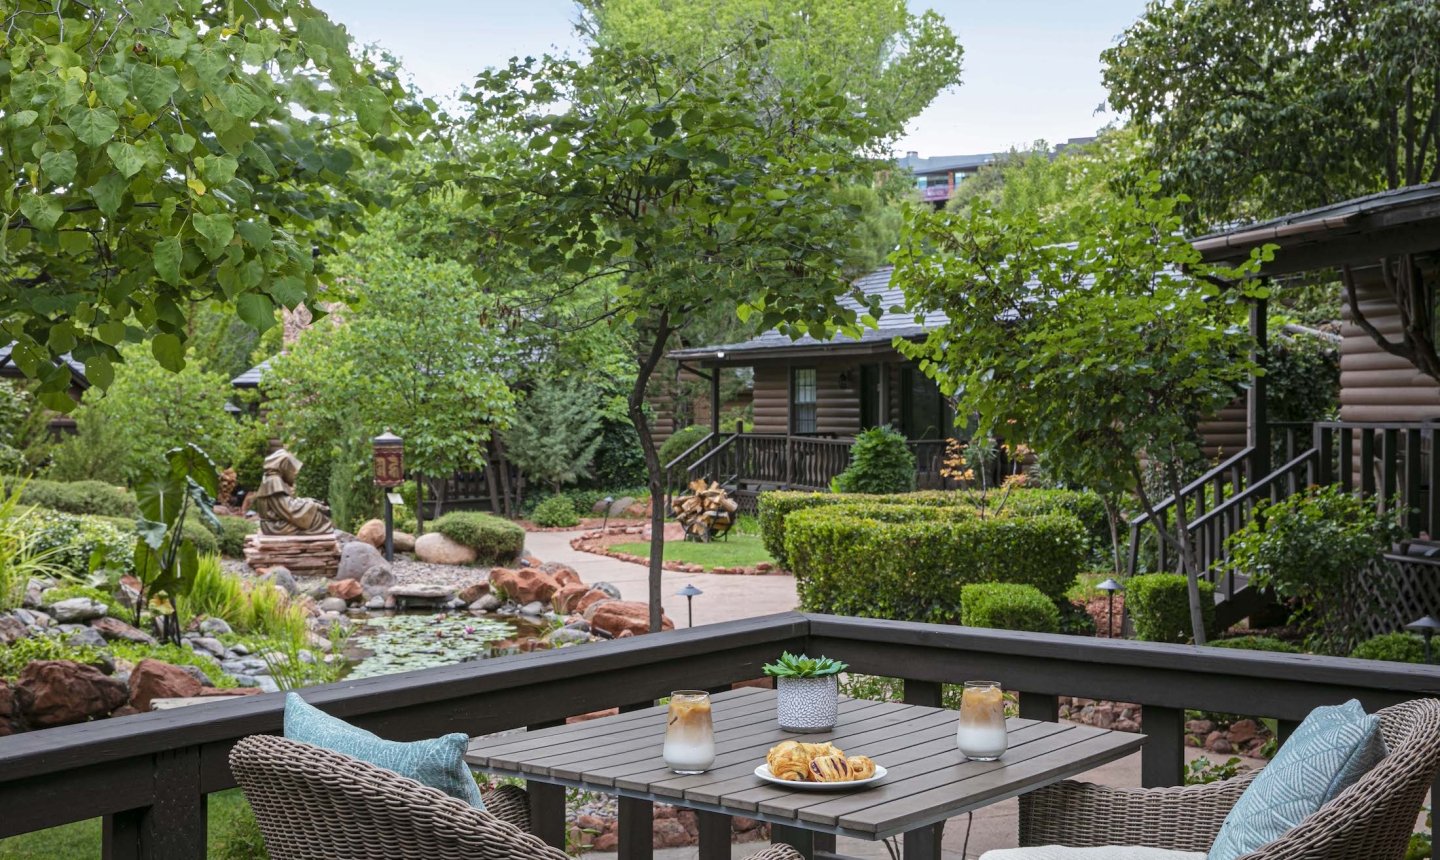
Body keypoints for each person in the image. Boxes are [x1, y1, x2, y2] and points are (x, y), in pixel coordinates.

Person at [251, 449, 333, 535]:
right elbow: (288, 509)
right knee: (318, 519)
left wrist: (309, 501)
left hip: (272, 525)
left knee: (316, 517)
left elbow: (286, 504)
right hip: (275, 527)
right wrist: (314, 506)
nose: (295, 474)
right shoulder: (274, 481)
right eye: (293, 470)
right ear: (285, 466)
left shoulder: (271, 478)